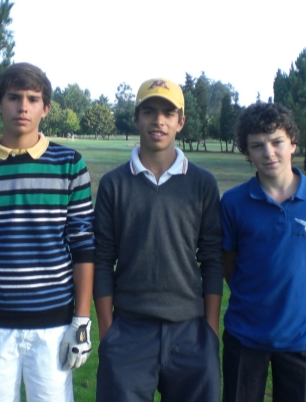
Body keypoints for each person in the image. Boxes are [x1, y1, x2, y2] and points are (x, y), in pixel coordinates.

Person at [0, 62, 95, 402]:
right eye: (14, 97)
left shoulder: (69, 164)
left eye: (33, 99)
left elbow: (84, 246)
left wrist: (82, 320)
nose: (23, 107)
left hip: (53, 325)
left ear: (45, 108)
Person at [93, 78, 223, 402]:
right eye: (149, 111)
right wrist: (108, 331)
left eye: (168, 112)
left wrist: (210, 329)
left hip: (191, 329)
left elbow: (212, 259)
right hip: (128, 329)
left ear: (181, 121)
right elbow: (102, 259)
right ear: (136, 119)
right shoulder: (113, 184)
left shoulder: (203, 183)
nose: (158, 121)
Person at [220, 102, 306, 402]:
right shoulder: (233, 202)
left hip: (303, 337)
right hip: (245, 335)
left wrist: (297, 296)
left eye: (276, 141)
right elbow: (230, 265)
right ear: (247, 153)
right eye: (257, 146)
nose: (269, 152)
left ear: (292, 142)